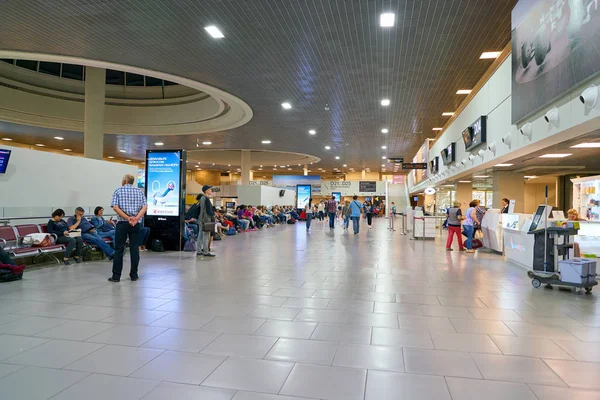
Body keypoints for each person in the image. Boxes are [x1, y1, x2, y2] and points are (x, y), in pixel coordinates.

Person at [109, 174, 148, 282]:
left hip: (122, 223)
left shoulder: (118, 191)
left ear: (124, 181)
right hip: (136, 224)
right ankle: (134, 275)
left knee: (119, 249)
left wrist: (127, 218)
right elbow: (144, 207)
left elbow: (115, 207)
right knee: (134, 248)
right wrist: (136, 218)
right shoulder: (140, 192)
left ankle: (116, 276)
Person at [198, 185, 216, 257]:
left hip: (200, 218)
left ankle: (199, 250)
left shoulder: (201, 198)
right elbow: (209, 211)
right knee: (206, 236)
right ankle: (206, 251)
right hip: (206, 219)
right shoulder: (206, 199)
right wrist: (214, 214)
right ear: (206, 191)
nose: (211, 190)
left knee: (200, 235)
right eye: (210, 189)